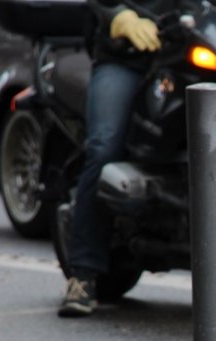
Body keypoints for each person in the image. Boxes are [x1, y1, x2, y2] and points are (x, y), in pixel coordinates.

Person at [58, 1, 166, 317]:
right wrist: (119, 15)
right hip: (125, 57)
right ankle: (83, 275)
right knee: (104, 148)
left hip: (187, 48)